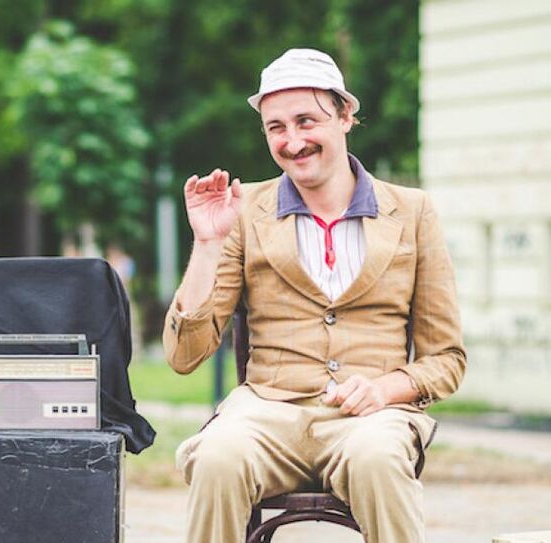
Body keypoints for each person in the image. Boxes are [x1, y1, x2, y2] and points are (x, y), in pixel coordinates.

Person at [162, 48, 466, 543]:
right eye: (276, 127)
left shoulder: (412, 212)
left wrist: (385, 389)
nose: (293, 140)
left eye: (307, 120)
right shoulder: (245, 211)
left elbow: (446, 359)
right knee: (217, 456)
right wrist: (208, 243)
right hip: (264, 412)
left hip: (372, 418)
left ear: (346, 115)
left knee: (378, 458)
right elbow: (183, 355)